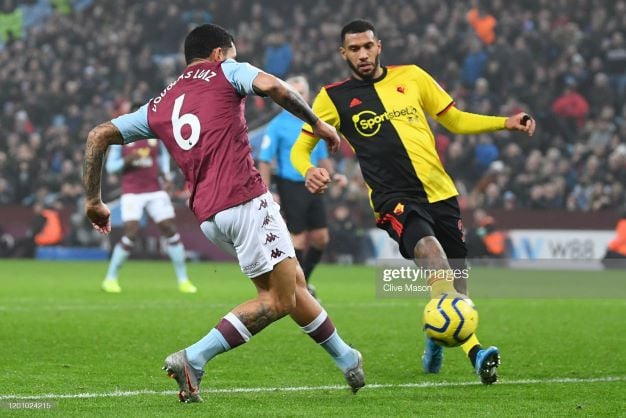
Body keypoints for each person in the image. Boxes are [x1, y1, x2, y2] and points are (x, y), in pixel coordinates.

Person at [83, 23, 364, 403]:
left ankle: (347, 359)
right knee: (277, 299)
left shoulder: (160, 103)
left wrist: (93, 201)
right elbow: (277, 88)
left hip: (210, 217)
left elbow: (98, 135)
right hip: (245, 200)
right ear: (219, 52)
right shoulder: (226, 70)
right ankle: (194, 358)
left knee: (293, 282)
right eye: (231, 54)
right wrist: (318, 123)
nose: (233, 59)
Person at [291, 19, 536, 385]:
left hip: (441, 192)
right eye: (354, 49)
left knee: (459, 289)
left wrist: (505, 122)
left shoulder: (414, 76)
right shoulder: (333, 97)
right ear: (343, 53)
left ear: (379, 46)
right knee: (429, 250)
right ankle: (477, 353)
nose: (362, 54)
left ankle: (434, 333)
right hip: (393, 198)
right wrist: (307, 169)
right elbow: (302, 146)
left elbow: (454, 120)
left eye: (367, 46)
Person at [258, 75, 347, 297]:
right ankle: (293, 288)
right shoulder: (277, 125)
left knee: (320, 238)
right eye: (293, 92)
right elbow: (265, 160)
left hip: (313, 184)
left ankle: (303, 282)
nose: (297, 97)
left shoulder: (314, 122)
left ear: (307, 96)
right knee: (297, 236)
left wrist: (335, 175)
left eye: (301, 93)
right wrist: (267, 191)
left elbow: (322, 156)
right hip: (290, 184)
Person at [101, 108, 197, 294]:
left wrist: (167, 177)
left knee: (169, 228)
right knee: (131, 232)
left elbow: (162, 159)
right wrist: (127, 161)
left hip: (155, 190)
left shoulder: (154, 136)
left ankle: (183, 280)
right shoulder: (120, 139)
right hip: (132, 191)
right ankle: (110, 278)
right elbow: (112, 168)